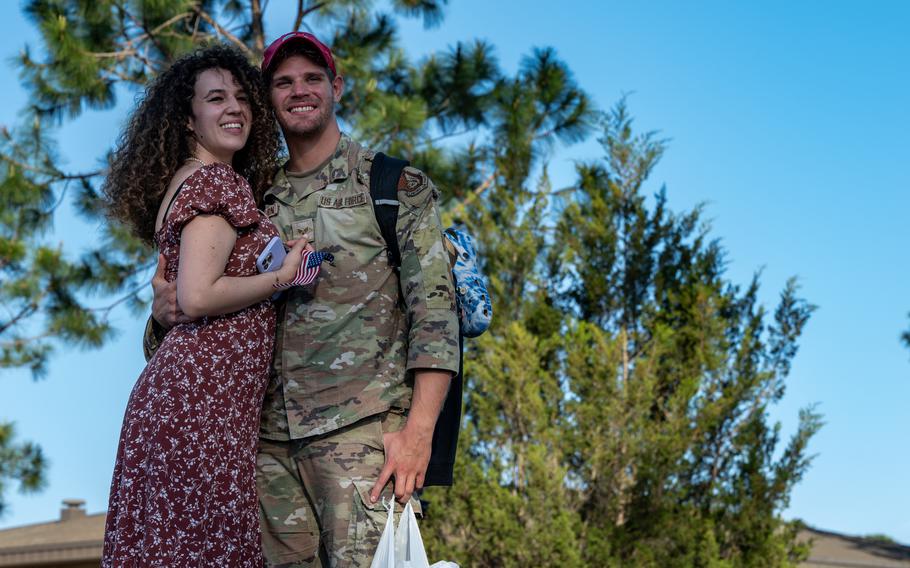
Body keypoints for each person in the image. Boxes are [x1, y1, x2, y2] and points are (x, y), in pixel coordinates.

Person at [149, 32, 461, 567]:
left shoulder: (390, 185)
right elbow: (193, 317)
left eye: (313, 78)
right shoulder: (249, 197)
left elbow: (436, 314)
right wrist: (160, 315)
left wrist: (418, 434)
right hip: (265, 449)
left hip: (362, 435)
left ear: (335, 86)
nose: (300, 91)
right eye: (284, 82)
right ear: (269, 98)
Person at [102, 45, 318, 566]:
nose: (235, 109)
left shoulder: (187, 182)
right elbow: (198, 296)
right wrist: (283, 276)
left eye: (243, 98)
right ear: (188, 119)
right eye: (216, 98)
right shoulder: (215, 181)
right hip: (203, 403)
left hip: (189, 398)